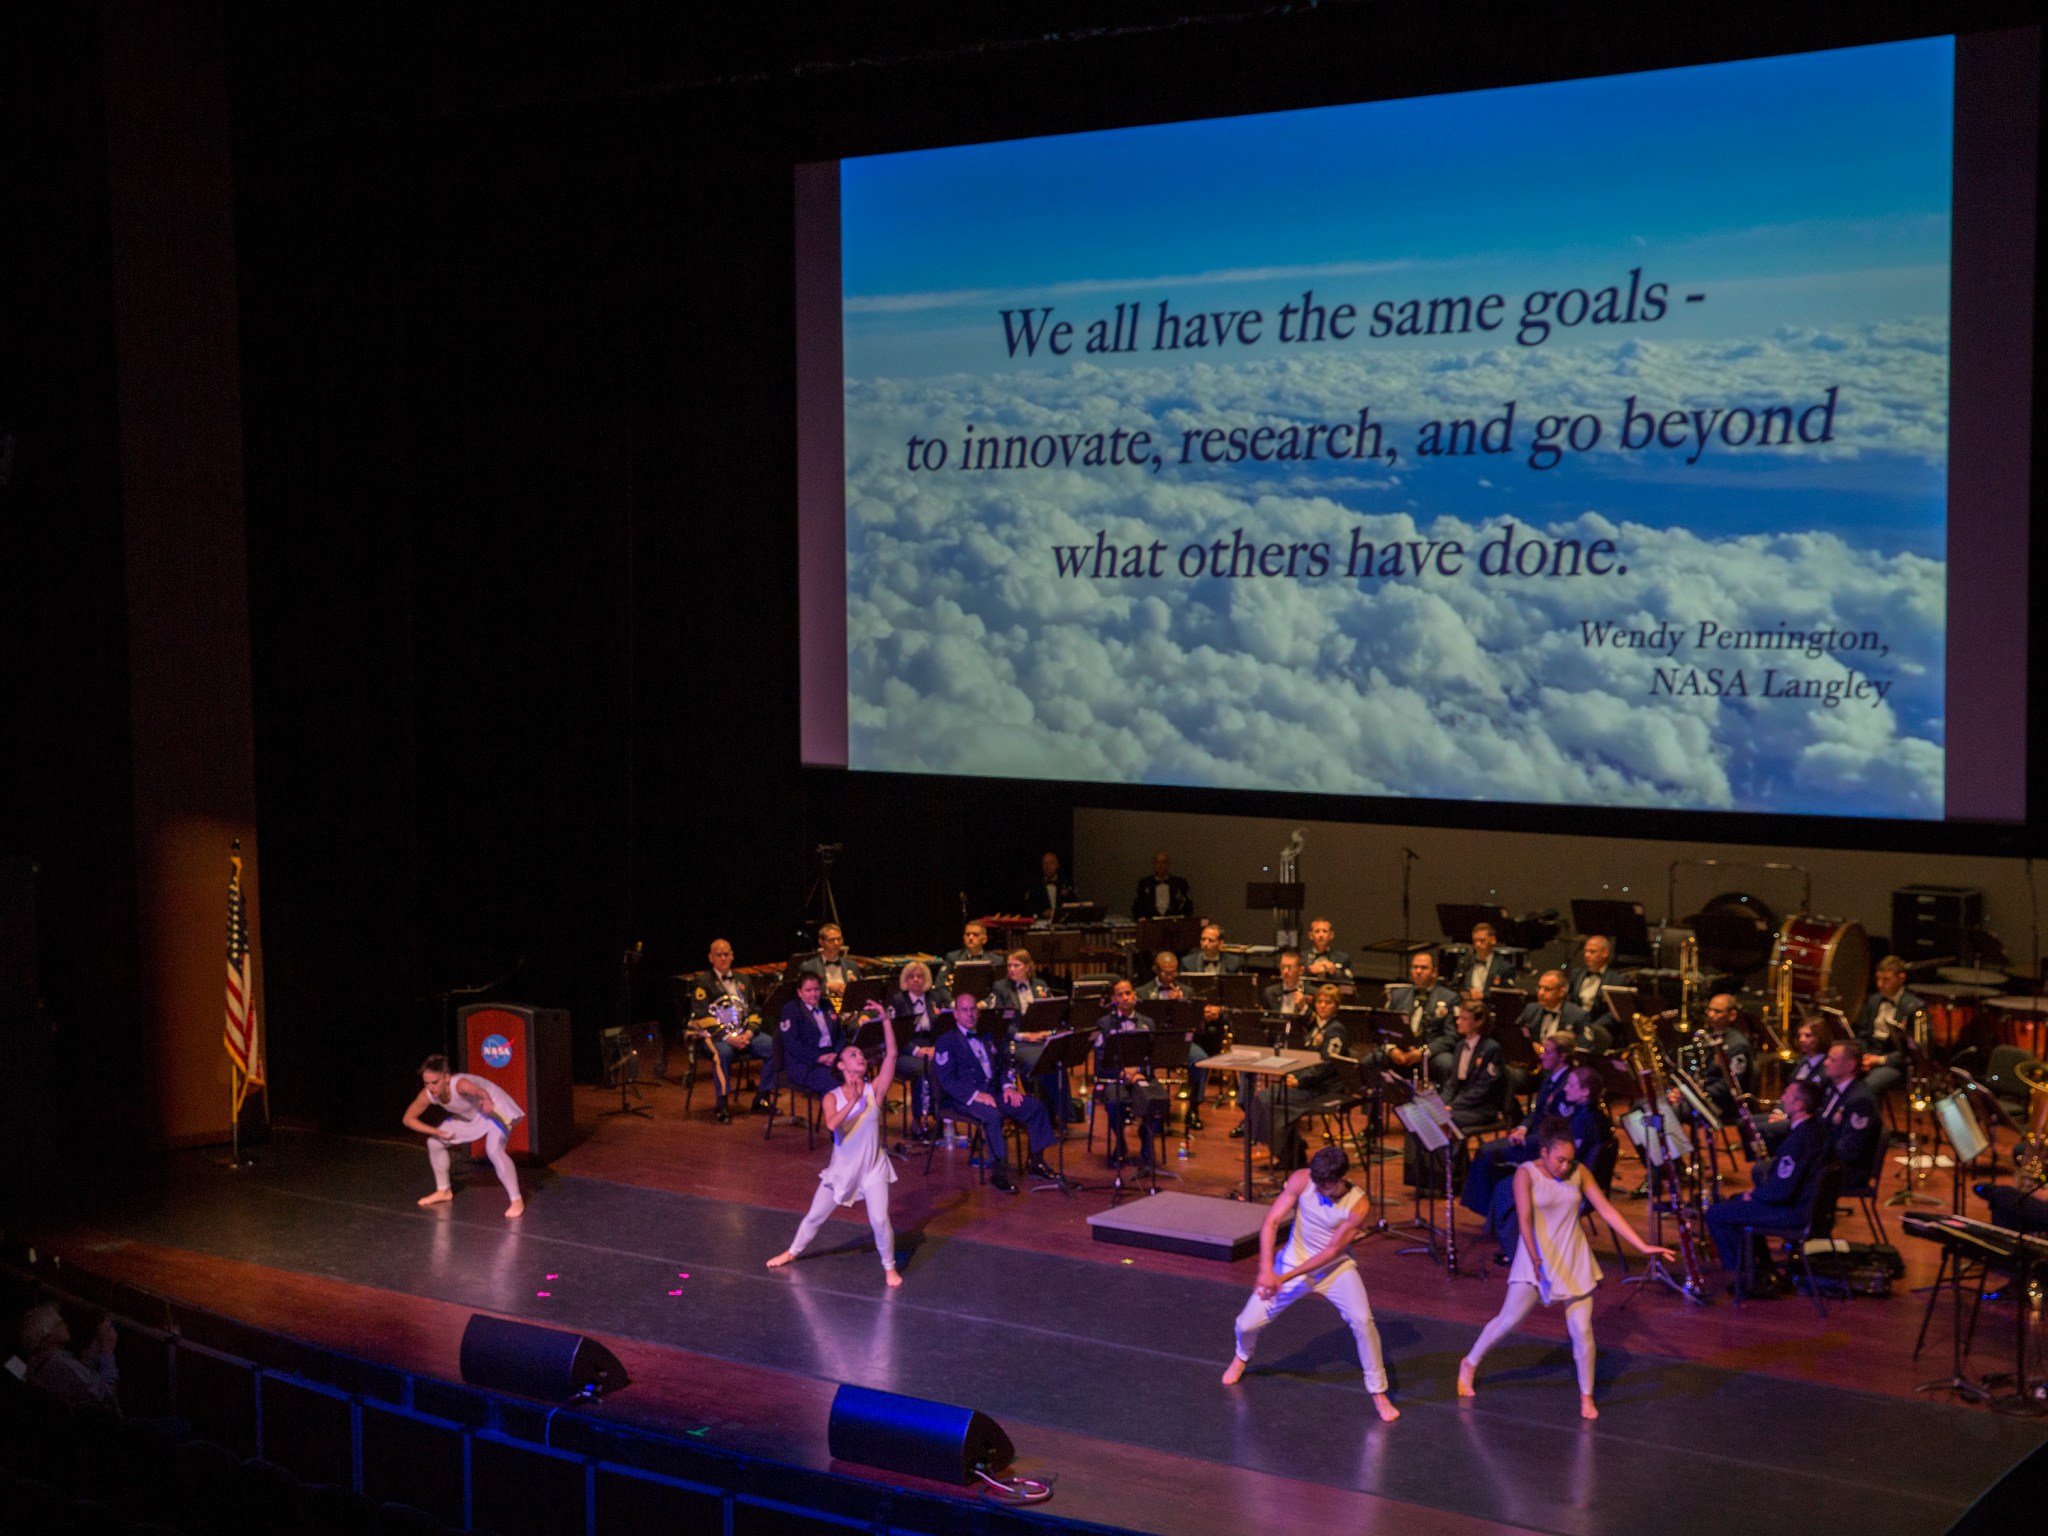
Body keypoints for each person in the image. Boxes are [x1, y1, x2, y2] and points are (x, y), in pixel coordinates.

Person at [1458, 1117, 1675, 1420]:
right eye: (1560, 1160)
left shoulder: (1579, 1172)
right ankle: (1469, 1362)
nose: (1565, 1166)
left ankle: (1586, 1396)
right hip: (1536, 1256)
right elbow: (1525, 1221)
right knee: (1508, 1320)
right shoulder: (1526, 1174)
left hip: (1573, 1257)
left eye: (1570, 1160)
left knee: (1582, 1329)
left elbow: (1607, 1210)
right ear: (1544, 1153)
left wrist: (1642, 1245)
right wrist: (1534, 1259)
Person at [1221, 1146, 1399, 1422]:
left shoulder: (1357, 1204)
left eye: (1325, 1184)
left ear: (1341, 1179)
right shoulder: (1302, 1180)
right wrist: (1266, 1270)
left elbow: (1330, 1252)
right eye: (1316, 1182)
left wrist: (1281, 1279)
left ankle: (1378, 1391)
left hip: (1334, 1268)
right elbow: (1271, 1222)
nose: (1318, 1188)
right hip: (1291, 1263)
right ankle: (1242, 1356)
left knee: (1363, 1321)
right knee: (1245, 1324)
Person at [767, 1003, 903, 1286]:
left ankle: (889, 1267)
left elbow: (892, 1054)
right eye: (854, 1055)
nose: (860, 1057)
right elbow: (832, 1125)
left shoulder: (873, 1091)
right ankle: (792, 1252)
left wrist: (885, 1020)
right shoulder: (832, 1097)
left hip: (873, 1169)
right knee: (815, 1216)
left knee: (879, 1220)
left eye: (861, 1055)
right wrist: (853, 1102)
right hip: (842, 1170)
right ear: (841, 1066)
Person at [1704, 1079, 1830, 1291]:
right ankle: (1761, 1270)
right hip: (1808, 1207)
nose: (1782, 1098)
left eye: (1788, 1095)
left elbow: (1782, 1191)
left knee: (1716, 1213)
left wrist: (1754, 1195)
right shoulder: (1816, 1130)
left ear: (1799, 1105)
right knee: (1735, 1202)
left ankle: (1744, 1275)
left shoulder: (1799, 1139)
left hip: (1795, 1212)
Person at [931, 993, 1061, 1193]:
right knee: (992, 1116)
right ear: (956, 1014)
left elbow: (1004, 1065)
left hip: (994, 1092)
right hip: (962, 1098)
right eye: (965, 1010)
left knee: (1035, 1107)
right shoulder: (946, 1041)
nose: (970, 1014)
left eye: (973, 1009)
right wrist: (975, 1095)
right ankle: (998, 1173)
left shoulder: (988, 1035)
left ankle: (1037, 1163)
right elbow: (947, 1080)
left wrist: (1008, 1086)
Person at [1488, 1065, 1613, 1265]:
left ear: (1585, 1092)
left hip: (1571, 1183)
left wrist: (1538, 1170)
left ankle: (1517, 1253)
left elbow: (1570, 1160)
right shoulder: (1593, 1115)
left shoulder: (1584, 1120)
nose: (1565, 1089)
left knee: (1506, 1189)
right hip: (1576, 1177)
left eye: (1571, 1085)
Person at [1462, 1033, 1579, 1222]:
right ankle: (1495, 1214)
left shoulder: (1569, 1084)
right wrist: (1523, 1127)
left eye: (1547, 1052)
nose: (1542, 1056)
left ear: (1562, 1056)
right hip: (1534, 1136)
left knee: (1486, 1153)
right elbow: (1536, 1112)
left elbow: (1559, 1128)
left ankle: (1493, 1215)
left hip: (1546, 1146)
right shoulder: (1549, 1079)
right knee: (1487, 1153)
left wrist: (1528, 1139)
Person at [403, 1054, 525, 1217]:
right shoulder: (428, 1095)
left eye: (435, 1082)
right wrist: (436, 1131)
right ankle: (444, 1190)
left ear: (446, 1078)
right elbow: (408, 1119)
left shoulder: (459, 1084)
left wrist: (487, 1100)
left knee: (493, 1149)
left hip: (493, 1107)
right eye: (426, 1083)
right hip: (470, 1115)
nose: (431, 1088)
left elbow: (478, 1090)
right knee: (434, 1143)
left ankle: (516, 1200)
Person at [1246, 984, 1348, 1167]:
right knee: (1269, 1099)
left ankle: (1289, 1153)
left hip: (1322, 1089)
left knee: (1267, 1099)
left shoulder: (1335, 1030)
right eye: (1320, 1002)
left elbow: (1326, 1064)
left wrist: (1299, 1080)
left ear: (1336, 1007)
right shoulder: (1318, 1027)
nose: (1323, 1006)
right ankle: (1291, 1151)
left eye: (1328, 1003)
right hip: (1310, 1085)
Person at [689, 938, 773, 1123]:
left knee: (775, 1048)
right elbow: (703, 1016)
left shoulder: (743, 979)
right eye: (719, 955)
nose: (723, 958)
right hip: (716, 1037)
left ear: (732, 956)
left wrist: (749, 1033)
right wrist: (729, 1037)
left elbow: (754, 1010)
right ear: (711, 958)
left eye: (726, 954)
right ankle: (722, 1103)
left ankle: (761, 1098)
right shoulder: (702, 982)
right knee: (723, 1053)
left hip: (744, 1034)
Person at [1093, 980, 1168, 1168]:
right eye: (1120, 994)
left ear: (1135, 995)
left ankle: (1146, 1137)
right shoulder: (1104, 1024)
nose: (1126, 998)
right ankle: (1120, 1142)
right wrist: (1122, 1072)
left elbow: (1153, 1056)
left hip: (1142, 1077)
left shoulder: (1147, 1023)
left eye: (1128, 993)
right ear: (1113, 999)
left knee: (1159, 1099)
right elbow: (1101, 1060)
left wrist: (1139, 1072)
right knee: (1113, 1102)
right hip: (1115, 1078)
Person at [890, 960, 952, 1135]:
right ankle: (920, 1118)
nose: (916, 980)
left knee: (946, 1065)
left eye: (920, 976)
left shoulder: (934, 998)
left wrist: (936, 1048)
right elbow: (896, 1035)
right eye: (912, 977)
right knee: (924, 1069)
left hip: (932, 1046)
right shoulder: (898, 1000)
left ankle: (943, 1115)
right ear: (905, 980)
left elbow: (944, 1028)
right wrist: (917, 1051)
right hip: (906, 1049)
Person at [18, 1303, 120, 1408]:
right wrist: (108, 1351)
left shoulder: (37, 1361)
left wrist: (97, 1344)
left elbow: (81, 1377)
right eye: (59, 1324)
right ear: (47, 1337)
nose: (66, 1325)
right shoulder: (59, 1365)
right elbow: (106, 1394)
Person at [1853, 956, 1923, 1101]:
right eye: (1878, 979)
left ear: (1901, 978)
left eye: (1886, 980)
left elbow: (1913, 1051)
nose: (1880, 984)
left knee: (1868, 1085)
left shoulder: (1915, 1007)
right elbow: (1863, 1034)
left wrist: (1879, 1060)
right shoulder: (1873, 1000)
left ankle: (1869, 1122)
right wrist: (1864, 1056)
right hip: (1870, 1055)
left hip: (1894, 1062)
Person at [1385, 950, 1459, 1083]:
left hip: (1430, 1052)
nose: (1418, 971)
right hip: (1400, 1050)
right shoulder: (1398, 995)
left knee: (1447, 1064)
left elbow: (1451, 1036)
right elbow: (1386, 1027)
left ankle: (1445, 1103)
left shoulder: (1449, 998)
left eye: (1424, 968)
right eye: (1415, 967)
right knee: (1370, 1060)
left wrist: (1423, 1053)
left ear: (1434, 972)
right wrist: (1392, 1050)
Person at [1813, 1040, 1882, 1176]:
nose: (1826, 1063)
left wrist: (1811, 1154)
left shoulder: (1861, 1100)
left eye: (1832, 1060)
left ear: (1850, 1065)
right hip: (1826, 1158)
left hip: (1844, 1170)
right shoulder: (1832, 1087)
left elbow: (1849, 1149)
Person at [777, 974, 845, 1100]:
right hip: (805, 1063)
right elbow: (792, 1045)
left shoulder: (827, 1005)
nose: (813, 994)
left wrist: (837, 1054)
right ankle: (835, 1118)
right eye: (808, 990)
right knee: (833, 1082)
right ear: (799, 992)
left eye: (816, 989)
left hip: (832, 1058)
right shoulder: (791, 1010)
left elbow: (840, 1035)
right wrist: (818, 1058)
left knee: (856, 1074)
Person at [1513, 969, 1591, 1050]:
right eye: (1540, 988)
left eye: (1547, 989)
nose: (1541, 993)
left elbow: (1583, 1049)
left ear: (1562, 992)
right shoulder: (1531, 1009)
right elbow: (1515, 1036)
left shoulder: (1577, 1015)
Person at [1565, 935, 1620, 1043]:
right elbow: (1569, 1000)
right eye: (1585, 951)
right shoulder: (1576, 974)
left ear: (1605, 953)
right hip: (1575, 1026)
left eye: (1592, 952)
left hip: (1600, 1029)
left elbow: (1614, 1011)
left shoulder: (1616, 979)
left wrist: (1591, 1028)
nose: (1586, 955)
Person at [797, 924, 860, 1004]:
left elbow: (862, 994)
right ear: (821, 942)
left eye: (839, 939)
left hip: (849, 1010)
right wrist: (828, 987)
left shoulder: (852, 965)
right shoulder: (809, 967)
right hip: (822, 1011)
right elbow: (805, 995)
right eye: (832, 940)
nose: (837, 943)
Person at [1457, 922, 1518, 994]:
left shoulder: (1504, 967)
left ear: (1493, 940)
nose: (1477, 944)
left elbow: (1506, 994)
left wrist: (1484, 995)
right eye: (1474, 941)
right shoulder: (1465, 962)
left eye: (1482, 940)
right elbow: (1456, 986)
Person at [1132, 851, 1193, 919]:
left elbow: (1187, 906)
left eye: (1163, 862)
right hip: (1151, 923)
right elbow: (1138, 906)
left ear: (1168, 865)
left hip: (1173, 923)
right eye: (1158, 862)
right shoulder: (1144, 884)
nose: (1160, 865)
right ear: (1153, 865)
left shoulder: (1179, 883)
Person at [1026, 852, 1076, 919]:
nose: (1048, 866)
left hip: (1064, 922)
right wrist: (1042, 913)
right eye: (1045, 863)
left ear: (1057, 865)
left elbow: (1074, 904)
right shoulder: (1035, 886)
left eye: (1051, 863)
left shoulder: (1067, 883)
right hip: (1042, 923)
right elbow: (1031, 908)